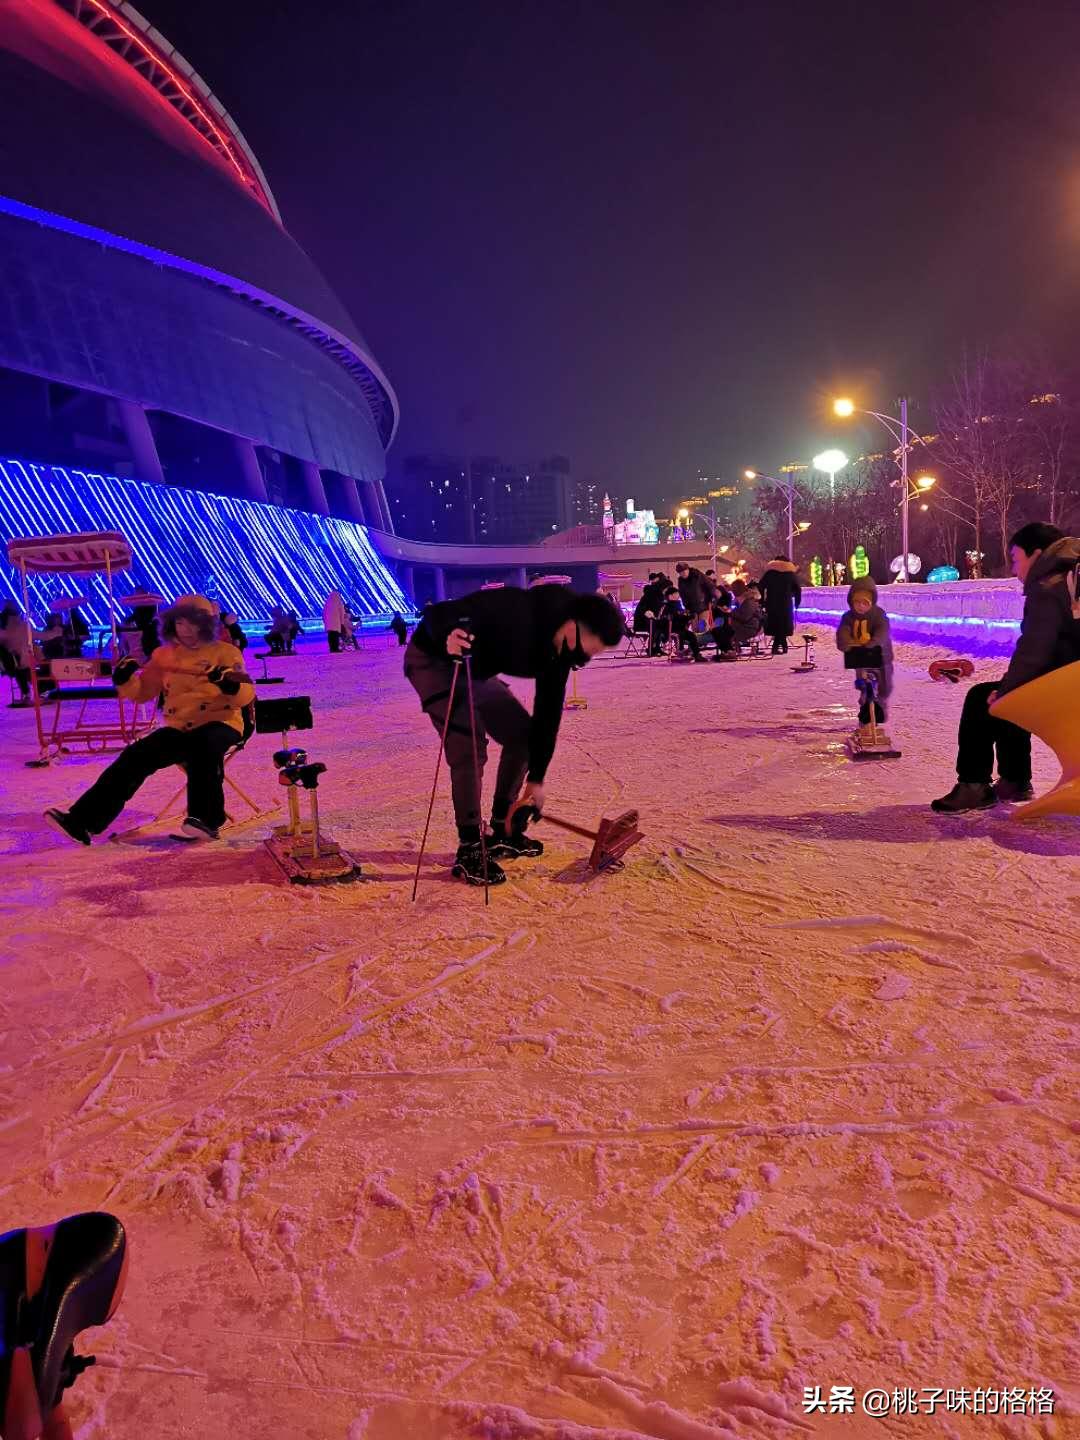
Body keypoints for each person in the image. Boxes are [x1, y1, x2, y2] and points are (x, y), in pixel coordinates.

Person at [404, 586, 624, 885]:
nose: (588, 657)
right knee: (468, 747)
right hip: (436, 659)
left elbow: (547, 715)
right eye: (591, 648)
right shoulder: (516, 608)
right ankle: (470, 845)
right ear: (576, 625)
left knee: (523, 736)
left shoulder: (559, 653)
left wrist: (536, 780)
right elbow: (440, 611)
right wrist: (450, 633)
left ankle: (502, 827)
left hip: (476, 670)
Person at [44, 595, 254, 845]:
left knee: (205, 746)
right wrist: (126, 680)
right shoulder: (165, 656)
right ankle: (83, 821)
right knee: (136, 755)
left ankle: (206, 819)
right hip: (180, 727)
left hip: (222, 722)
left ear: (207, 624)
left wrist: (229, 685)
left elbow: (245, 694)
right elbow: (143, 692)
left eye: (193, 624)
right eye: (180, 623)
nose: (186, 630)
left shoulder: (226, 652)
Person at [932, 523, 1080, 812]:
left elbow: (1035, 648)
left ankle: (974, 785)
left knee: (983, 698)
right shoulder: (1073, 577)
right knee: (1012, 694)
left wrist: (1006, 690)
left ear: (1036, 554)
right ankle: (1015, 779)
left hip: (1073, 685)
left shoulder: (1050, 586)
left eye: (1015, 559)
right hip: (1070, 677)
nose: (1014, 570)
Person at [835, 577, 893, 729]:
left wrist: (874, 642)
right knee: (864, 684)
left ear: (871, 602)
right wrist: (847, 643)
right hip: (860, 656)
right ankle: (865, 712)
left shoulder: (879, 615)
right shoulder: (848, 617)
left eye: (865, 603)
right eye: (857, 602)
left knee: (884, 685)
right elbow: (843, 632)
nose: (860, 607)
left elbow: (882, 630)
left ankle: (880, 704)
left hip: (881, 657)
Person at [759, 555, 802, 655]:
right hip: (786, 603)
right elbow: (798, 589)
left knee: (775, 623)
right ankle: (782, 645)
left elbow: (760, 586)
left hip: (772, 602)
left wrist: (762, 600)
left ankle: (779, 645)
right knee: (783, 624)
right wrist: (797, 602)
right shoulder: (790, 574)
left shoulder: (770, 573)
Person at [711, 580, 762, 659]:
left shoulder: (749, 601)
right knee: (717, 630)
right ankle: (727, 651)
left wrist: (730, 612)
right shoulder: (742, 601)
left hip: (749, 628)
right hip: (740, 626)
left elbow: (744, 617)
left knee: (723, 632)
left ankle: (729, 651)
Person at [0, 600, 34, 703]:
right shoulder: (12, 618)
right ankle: (31, 690)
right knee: (21, 669)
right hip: (11, 653)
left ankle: (28, 691)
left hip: (11, 653)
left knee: (20, 669)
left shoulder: (6, 618)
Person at [660, 586, 705, 661]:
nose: (678, 595)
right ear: (670, 596)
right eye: (676, 593)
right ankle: (680, 651)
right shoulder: (669, 606)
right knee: (681, 635)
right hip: (671, 629)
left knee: (691, 635)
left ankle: (696, 654)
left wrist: (689, 617)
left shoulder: (677, 605)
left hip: (679, 628)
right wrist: (686, 617)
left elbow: (681, 617)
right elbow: (673, 618)